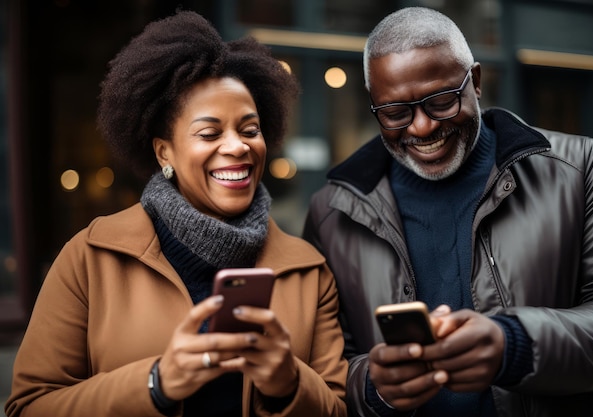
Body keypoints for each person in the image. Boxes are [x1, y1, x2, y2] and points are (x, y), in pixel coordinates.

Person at [5, 10, 348, 417]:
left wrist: (288, 384)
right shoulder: (90, 258)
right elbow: (29, 406)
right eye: (210, 133)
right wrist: (157, 383)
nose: (238, 146)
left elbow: (337, 408)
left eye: (250, 129)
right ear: (163, 151)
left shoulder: (309, 271)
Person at [303, 6, 593, 417]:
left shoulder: (580, 170)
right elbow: (326, 365)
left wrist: (514, 344)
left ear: (474, 81)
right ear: (374, 106)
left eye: (440, 101)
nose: (421, 128)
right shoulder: (331, 212)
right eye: (395, 113)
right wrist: (373, 387)